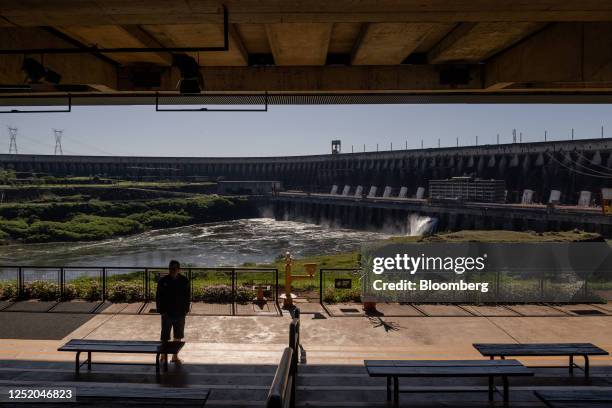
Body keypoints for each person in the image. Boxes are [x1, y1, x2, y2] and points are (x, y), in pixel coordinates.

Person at [156, 260, 190, 365]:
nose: (172, 271)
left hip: (180, 312)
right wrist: (161, 311)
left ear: (179, 269)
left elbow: (187, 297)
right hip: (166, 313)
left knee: (178, 335)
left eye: (174, 269)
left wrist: (185, 310)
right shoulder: (163, 281)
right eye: (170, 269)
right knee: (165, 335)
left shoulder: (184, 281)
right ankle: (163, 355)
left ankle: (175, 356)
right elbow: (158, 297)